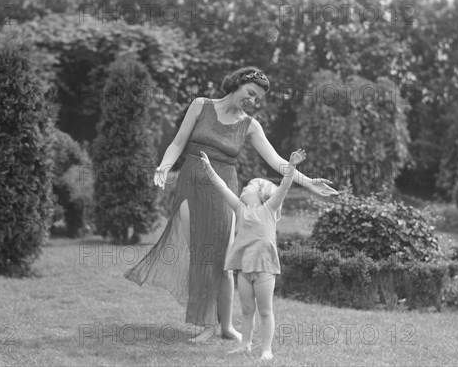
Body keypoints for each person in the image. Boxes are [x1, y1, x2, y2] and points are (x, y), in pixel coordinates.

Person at [124, 67, 338, 342]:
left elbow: (277, 161)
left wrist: (308, 182)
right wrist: (164, 166)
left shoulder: (250, 125)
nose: (252, 101)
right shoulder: (200, 105)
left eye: (257, 98)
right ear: (237, 84)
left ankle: (224, 326)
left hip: (223, 188)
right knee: (199, 256)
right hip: (189, 184)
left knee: (223, 259)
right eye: (250, 93)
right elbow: (178, 143)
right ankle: (207, 323)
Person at [200, 148, 306, 360]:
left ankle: (266, 349)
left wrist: (291, 167)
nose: (244, 187)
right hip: (246, 270)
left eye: (250, 185)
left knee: (265, 311)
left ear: (261, 194)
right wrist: (209, 169)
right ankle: (245, 345)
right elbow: (222, 188)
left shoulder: (269, 208)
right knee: (247, 310)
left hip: (265, 269)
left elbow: (284, 188)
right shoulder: (240, 208)